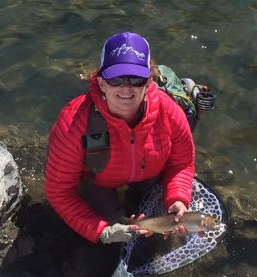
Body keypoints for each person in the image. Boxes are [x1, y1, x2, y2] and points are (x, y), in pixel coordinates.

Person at [45, 32, 195, 244]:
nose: (126, 88)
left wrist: (178, 198)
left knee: (156, 228)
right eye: (116, 78)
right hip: (98, 183)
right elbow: (59, 192)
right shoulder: (73, 123)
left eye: (136, 79)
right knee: (115, 225)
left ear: (148, 82)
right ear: (101, 82)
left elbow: (182, 163)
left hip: (149, 175)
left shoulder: (169, 113)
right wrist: (101, 231)